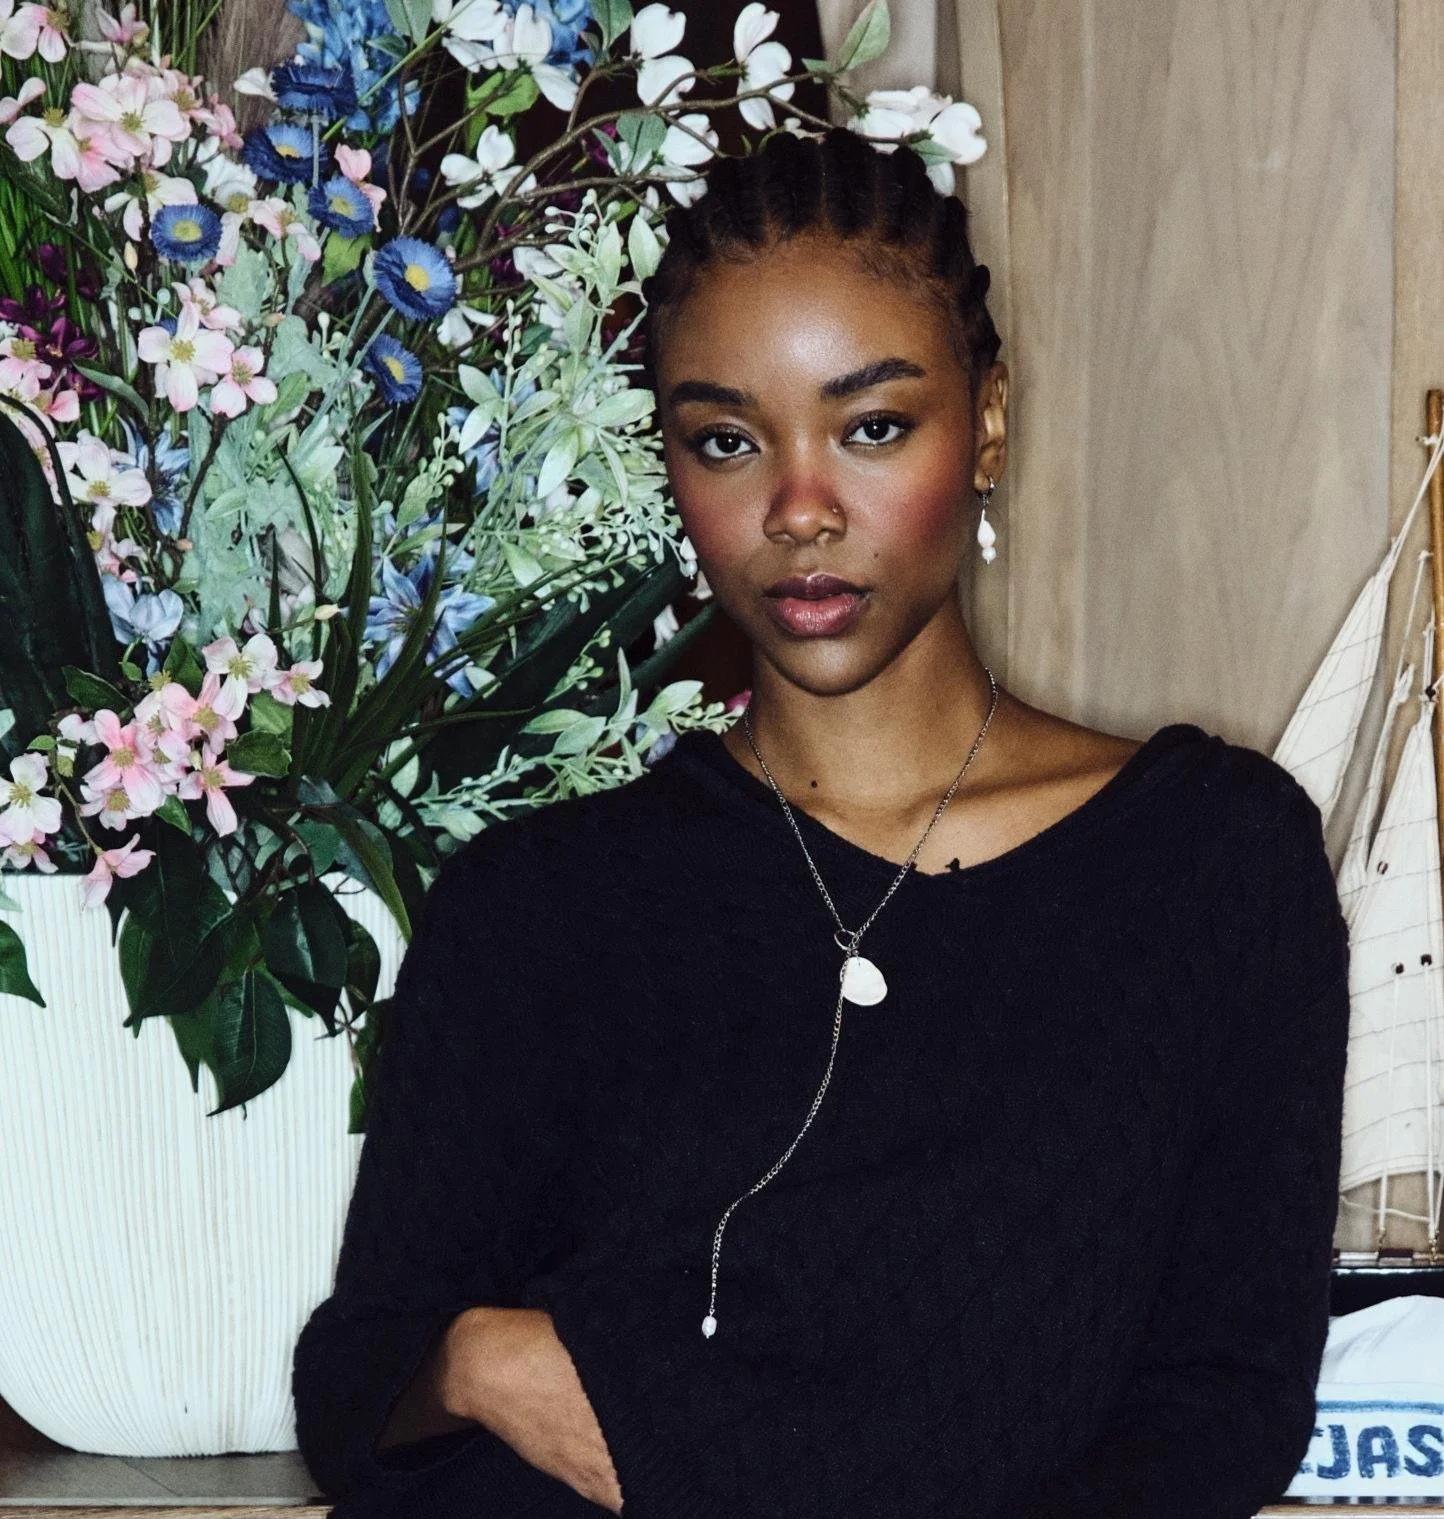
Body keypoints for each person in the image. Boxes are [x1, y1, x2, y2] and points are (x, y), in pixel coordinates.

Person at [292, 127, 1352, 1519]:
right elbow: (361, 1377)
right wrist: (477, 1361)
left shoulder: (1212, 862)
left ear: (990, 424)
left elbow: (1223, 1398)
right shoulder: (542, 902)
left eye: (871, 425)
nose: (798, 509)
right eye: (727, 439)